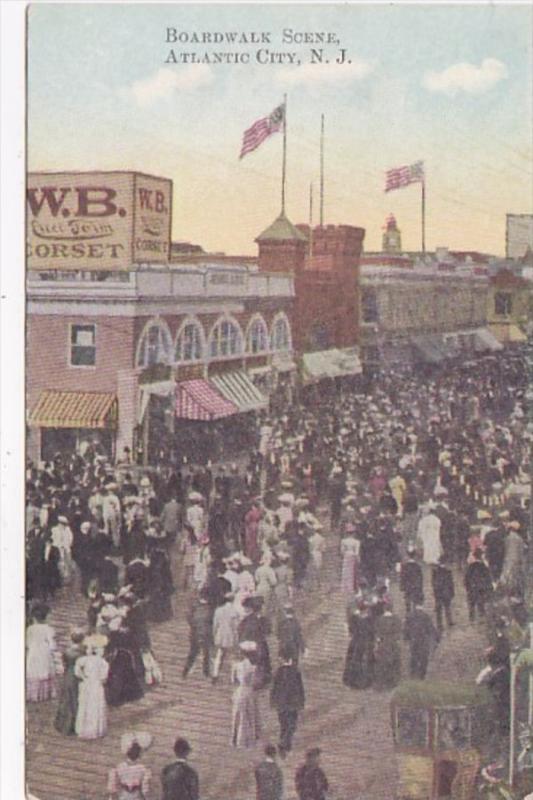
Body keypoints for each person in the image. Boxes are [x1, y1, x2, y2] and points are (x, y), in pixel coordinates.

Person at [270, 649, 306, 757]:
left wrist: (273, 701)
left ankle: (285, 743)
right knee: (292, 725)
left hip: (281, 703)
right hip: (292, 704)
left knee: (283, 724)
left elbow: (274, 688)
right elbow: (300, 688)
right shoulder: (295, 672)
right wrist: (301, 702)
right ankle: (285, 743)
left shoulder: (279, 672)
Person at [74, 634, 109, 739]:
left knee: (85, 705)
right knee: (95, 706)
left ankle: (83, 729)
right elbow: (104, 677)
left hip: (87, 684)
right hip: (96, 685)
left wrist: (84, 677)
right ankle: (95, 730)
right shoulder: (103, 662)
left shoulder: (83, 660)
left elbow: (77, 672)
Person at [54, 627, 85, 735]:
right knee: (77, 699)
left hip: (68, 675)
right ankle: (75, 724)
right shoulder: (83, 652)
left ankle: (63, 724)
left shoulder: (67, 651)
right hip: (78, 677)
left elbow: (64, 664)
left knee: (66, 699)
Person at [231, 641, 261, 749]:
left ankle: (236, 739)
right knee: (249, 716)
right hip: (249, 692)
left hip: (240, 691)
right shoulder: (254, 668)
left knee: (238, 715)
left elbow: (233, 681)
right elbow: (256, 682)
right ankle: (248, 740)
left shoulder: (236, 665)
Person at [26, 603, 58, 702]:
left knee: (34, 671)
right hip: (44, 651)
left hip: (33, 651)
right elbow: (52, 644)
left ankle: (34, 694)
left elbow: (27, 642)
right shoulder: (48, 629)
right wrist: (53, 650)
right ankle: (45, 693)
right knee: (44, 670)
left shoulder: (30, 629)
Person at [108, 733, 152, 800]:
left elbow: (112, 788)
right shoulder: (143, 769)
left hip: (123, 796)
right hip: (137, 796)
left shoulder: (119, 767)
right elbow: (145, 790)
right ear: (139, 754)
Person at [403, 603, 439, 680]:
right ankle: (422, 676)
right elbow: (431, 629)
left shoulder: (409, 616)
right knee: (423, 658)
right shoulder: (426, 616)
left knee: (413, 657)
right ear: (422, 607)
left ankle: (413, 674)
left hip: (413, 640)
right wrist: (437, 638)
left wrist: (406, 638)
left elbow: (406, 629)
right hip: (423, 641)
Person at [182, 590, 212, 679]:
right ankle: (206, 671)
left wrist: (193, 626)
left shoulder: (194, 606)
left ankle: (186, 671)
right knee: (206, 653)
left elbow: (189, 617)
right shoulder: (210, 608)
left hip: (195, 633)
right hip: (205, 633)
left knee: (193, 652)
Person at [373, 602, 402, 690]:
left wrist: (377, 643)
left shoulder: (379, 619)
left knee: (381, 663)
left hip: (383, 644)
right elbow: (399, 633)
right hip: (393, 644)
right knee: (394, 663)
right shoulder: (396, 619)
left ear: (384, 609)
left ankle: (381, 683)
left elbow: (377, 633)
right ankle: (392, 682)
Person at [212, 592, 239, 684]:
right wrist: (237, 638)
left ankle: (215, 674)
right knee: (233, 657)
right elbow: (235, 627)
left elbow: (215, 625)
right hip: (230, 636)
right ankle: (232, 677)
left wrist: (214, 634)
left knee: (219, 655)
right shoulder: (234, 612)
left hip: (220, 635)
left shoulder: (218, 610)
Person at [464, 548, 493, 622]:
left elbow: (466, 578)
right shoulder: (483, 566)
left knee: (472, 603)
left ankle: (472, 617)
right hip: (481, 588)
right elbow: (488, 578)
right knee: (481, 602)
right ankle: (481, 617)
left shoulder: (471, 566)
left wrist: (467, 587)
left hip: (472, 587)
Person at [431, 555, 455, 634]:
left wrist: (434, 591)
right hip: (446, 592)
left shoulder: (435, 571)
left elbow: (433, 583)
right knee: (447, 607)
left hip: (438, 592)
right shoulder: (448, 572)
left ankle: (439, 624)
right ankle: (449, 621)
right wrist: (452, 592)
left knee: (439, 608)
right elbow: (451, 583)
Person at [399, 549, 424, 617]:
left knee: (408, 602)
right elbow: (420, 578)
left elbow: (402, 577)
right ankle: (415, 615)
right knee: (415, 602)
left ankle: (408, 614)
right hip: (415, 586)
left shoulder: (405, 566)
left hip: (408, 587)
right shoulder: (417, 566)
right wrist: (420, 587)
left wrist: (402, 586)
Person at [339, 527, 360, 594]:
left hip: (346, 555)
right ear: (353, 533)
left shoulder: (343, 541)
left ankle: (345, 587)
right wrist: (357, 559)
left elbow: (342, 551)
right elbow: (357, 552)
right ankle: (351, 587)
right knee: (352, 572)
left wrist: (343, 556)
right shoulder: (356, 542)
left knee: (345, 571)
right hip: (352, 556)